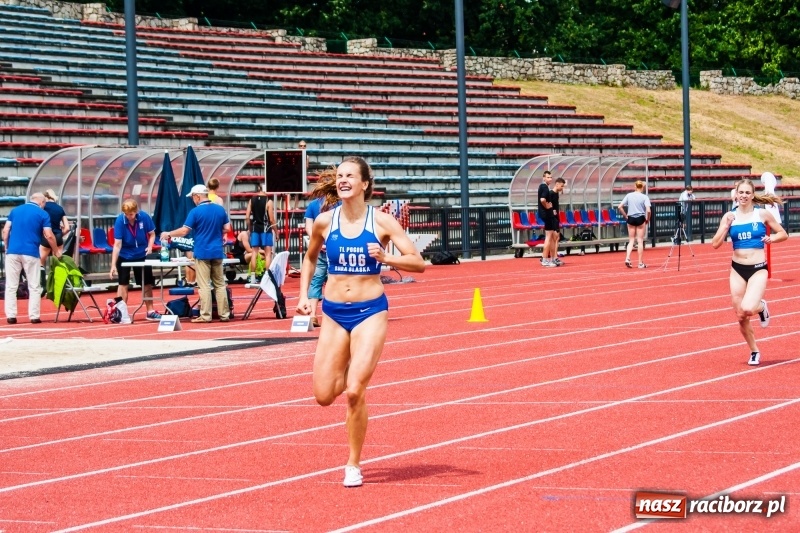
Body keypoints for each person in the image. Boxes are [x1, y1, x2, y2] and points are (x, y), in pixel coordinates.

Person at [296, 156, 425, 487]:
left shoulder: (381, 222)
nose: (342, 180)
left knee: (354, 391)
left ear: (365, 184)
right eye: (339, 176)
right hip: (335, 313)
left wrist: (386, 258)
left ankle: (353, 463)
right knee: (324, 395)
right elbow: (309, 259)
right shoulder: (325, 221)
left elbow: (417, 262)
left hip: (370, 311)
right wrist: (305, 296)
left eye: (350, 175)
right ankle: (348, 363)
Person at [711, 179, 787, 366]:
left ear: (752, 195)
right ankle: (754, 350)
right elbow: (715, 244)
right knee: (740, 315)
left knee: (748, 308)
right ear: (736, 194)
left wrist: (772, 238)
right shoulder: (730, 216)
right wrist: (726, 226)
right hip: (737, 269)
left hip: (757, 268)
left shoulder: (761, 214)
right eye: (741, 192)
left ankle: (761, 307)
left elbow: (783, 234)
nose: (743, 195)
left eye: (747, 192)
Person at [161, 184, 231, 323]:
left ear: (197, 196)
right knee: (220, 284)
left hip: (202, 251)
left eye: (193, 197)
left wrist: (168, 233)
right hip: (217, 251)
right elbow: (227, 228)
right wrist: (216, 232)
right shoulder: (219, 209)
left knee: (204, 285)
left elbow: (184, 231)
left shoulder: (195, 212)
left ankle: (206, 315)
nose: (193, 200)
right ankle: (225, 314)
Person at [3, 192, 60, 324]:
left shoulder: (15, 210)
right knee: (34, 285)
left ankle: (11, 316)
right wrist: (56, 250)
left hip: (13, 251)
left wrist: (7, 246)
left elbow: (6, 230)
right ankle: (34, 316)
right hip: (30, 252)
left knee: (11, 285)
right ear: (42, 202)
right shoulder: (42, 214)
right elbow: (49, 235)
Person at [109, 199, 162, 321]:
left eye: (131, 214)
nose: (129, 217)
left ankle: (150, 311)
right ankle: (120, 312)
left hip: (141, 254)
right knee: (123, 284)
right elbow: (117, 245)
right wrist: (112, 265)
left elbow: (152, 234)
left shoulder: (144, 217)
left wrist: (150, 247)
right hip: (125, 254)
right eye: (126, 215)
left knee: (147, 282)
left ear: (136, 211)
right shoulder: (120, 221)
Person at [303, 168, 340, 327]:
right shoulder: (340, 203)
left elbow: (308, 227)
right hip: (336, 246)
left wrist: (317, 242)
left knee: (316, 280)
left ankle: (312, 314)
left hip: (318, 247)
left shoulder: (312, 205)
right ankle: (335, 315)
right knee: (337, 280)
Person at [39, 188, 70, 291]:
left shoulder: (43, 207)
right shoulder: (60, 208)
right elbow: (67, 228)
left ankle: (42, 286)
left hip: (45, 236)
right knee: (58, 262)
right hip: (57, 236)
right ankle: (58, 287)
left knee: (40, 262)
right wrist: (60, 234)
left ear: (46, 198)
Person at [245, 183, 275, 283]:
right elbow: (271, 219)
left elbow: (247, 216)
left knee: (254, 253)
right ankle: (268, 277)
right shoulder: (268, 201)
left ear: (259, 188)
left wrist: (250, 228)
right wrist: (276, 231)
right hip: (266, 229)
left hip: (255, 228)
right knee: (267, 254)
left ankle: (253, 277)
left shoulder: (251, 200)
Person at [618, 180, 651, 269]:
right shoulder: (645, 197)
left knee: (631, 240)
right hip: (640, 218)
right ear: (642, 187)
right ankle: (640, 263)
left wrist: (625, 216)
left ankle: (627, 258)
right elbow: (648, 210)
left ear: (635, 187)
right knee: (640, 240)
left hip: (631, 218)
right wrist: (648, 219)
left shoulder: (629, 195)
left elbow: (619, 206)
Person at [537, 170, 556, 267]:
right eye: (548, 177)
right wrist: (547, 206)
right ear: (544, 178)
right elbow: (542, 199)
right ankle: (544, 259)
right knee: (548, 237)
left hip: (547, 213)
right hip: (546, 214)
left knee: (551, 236)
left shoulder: (544, 187)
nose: (550, 179)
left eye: (551, 177)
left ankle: (552, 258)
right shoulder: (544, 187)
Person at [547, 177, 566, 266]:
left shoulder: (556, 194)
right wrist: (552, 213)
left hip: (556, 218)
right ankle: (552, 258)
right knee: (553, 238)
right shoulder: (550, 194)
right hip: (552, 218)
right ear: (557, 184)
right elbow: (547, 205)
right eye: (561, 186)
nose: (562, 188)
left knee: (557, 238)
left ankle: (555, 257)